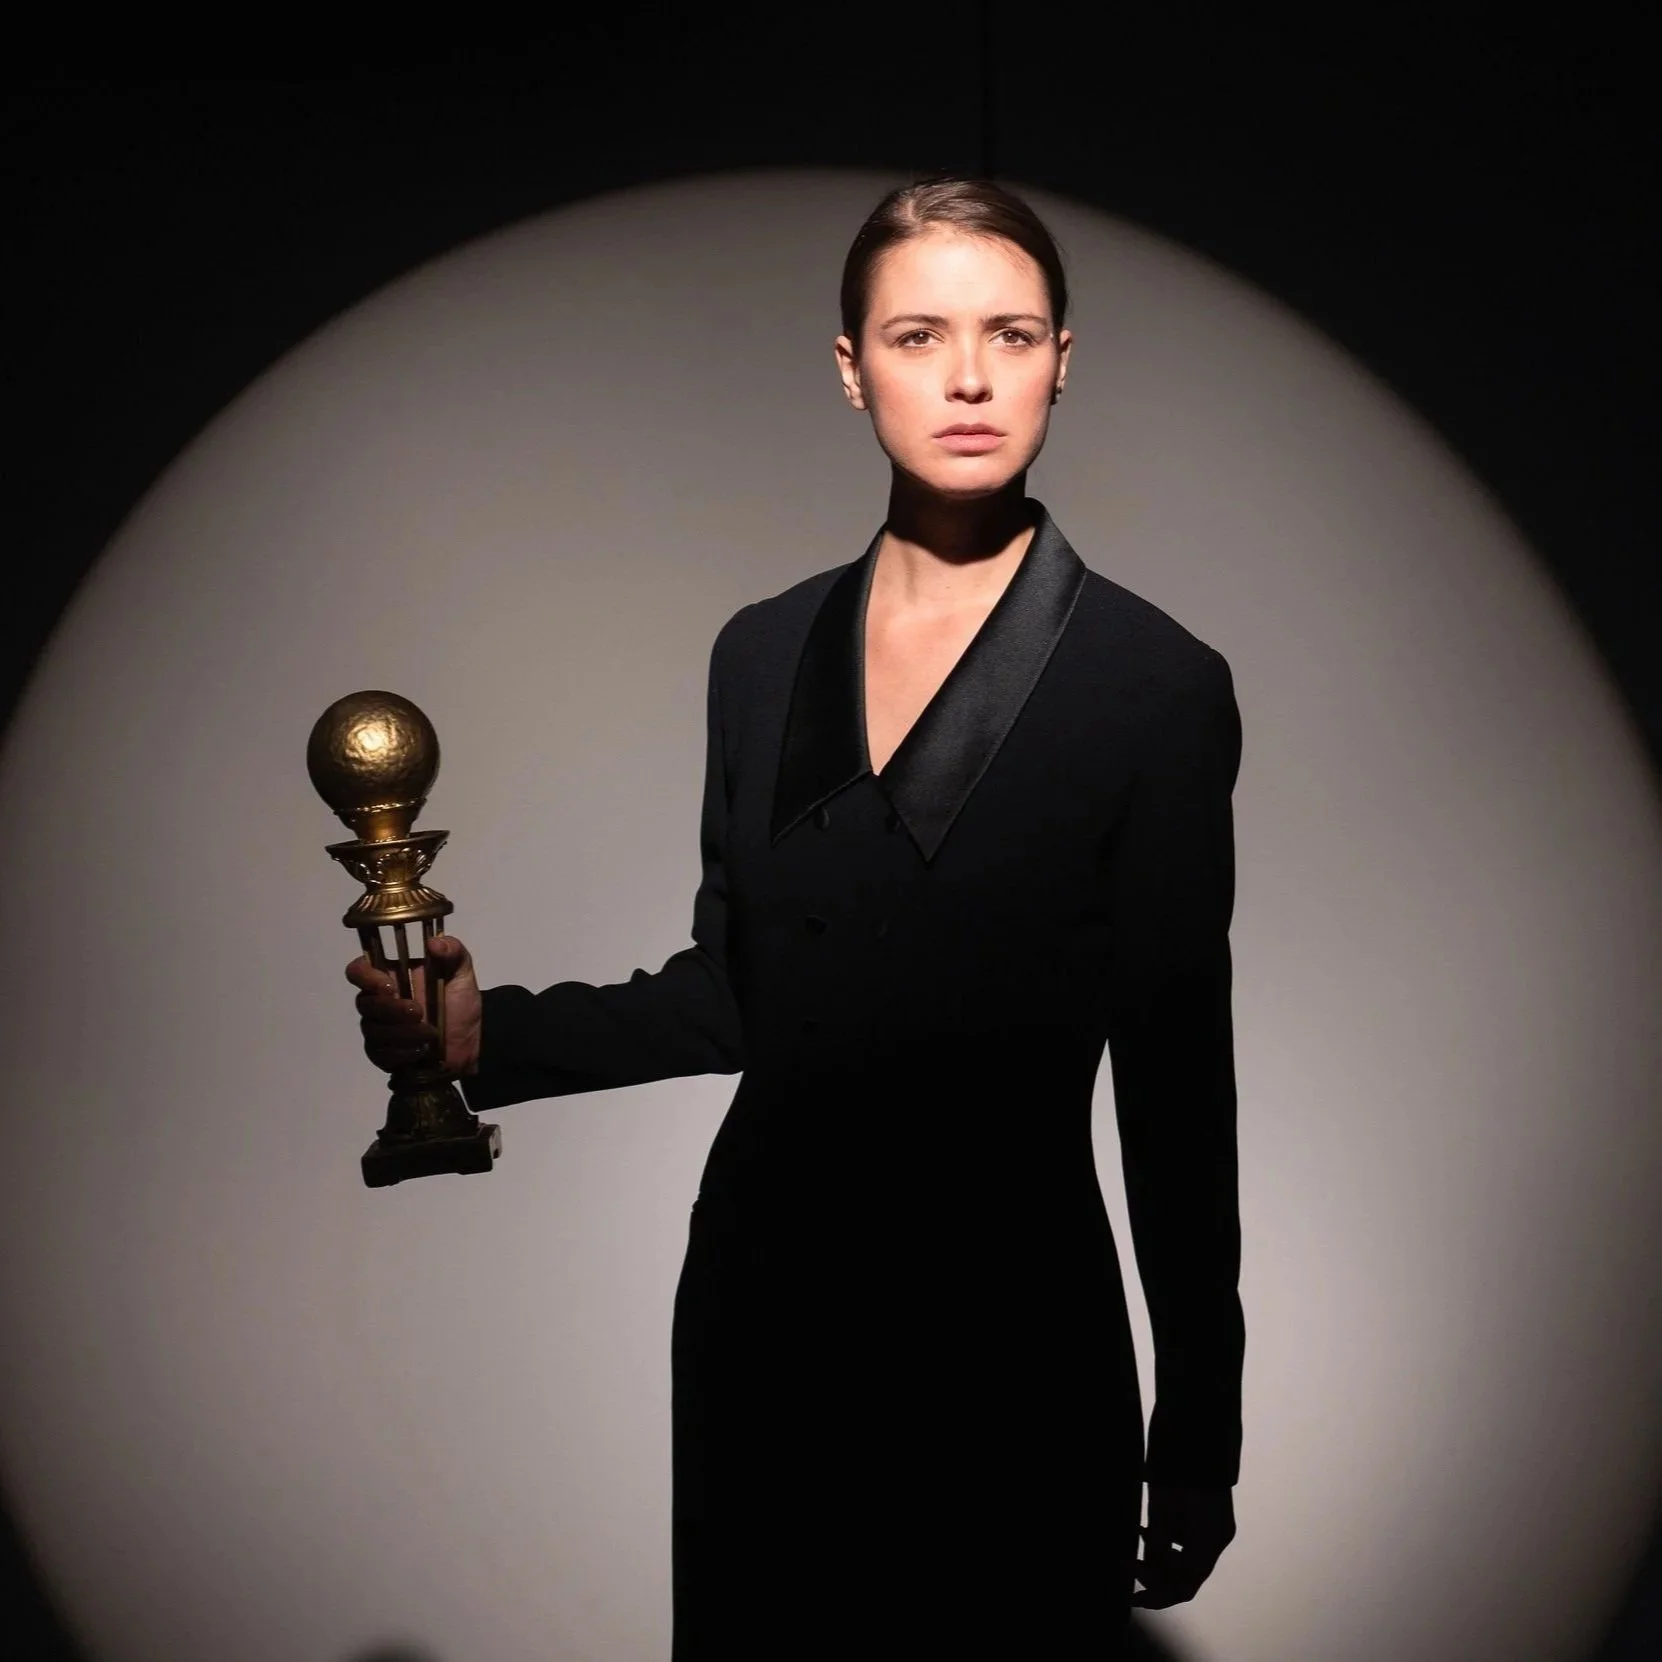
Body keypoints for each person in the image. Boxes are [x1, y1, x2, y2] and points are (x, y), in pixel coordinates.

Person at [348, 175, 1243, 1659]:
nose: (968, 377)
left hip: (1012, 1344)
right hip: (766, 1318)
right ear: (850, 367)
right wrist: (478, 1038)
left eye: (1011, 334)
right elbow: (739, 993)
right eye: (917, 335)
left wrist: (1197, 1427)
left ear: (1061, 361)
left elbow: (1176, 1085)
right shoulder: (761, 655)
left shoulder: (1155, 686)